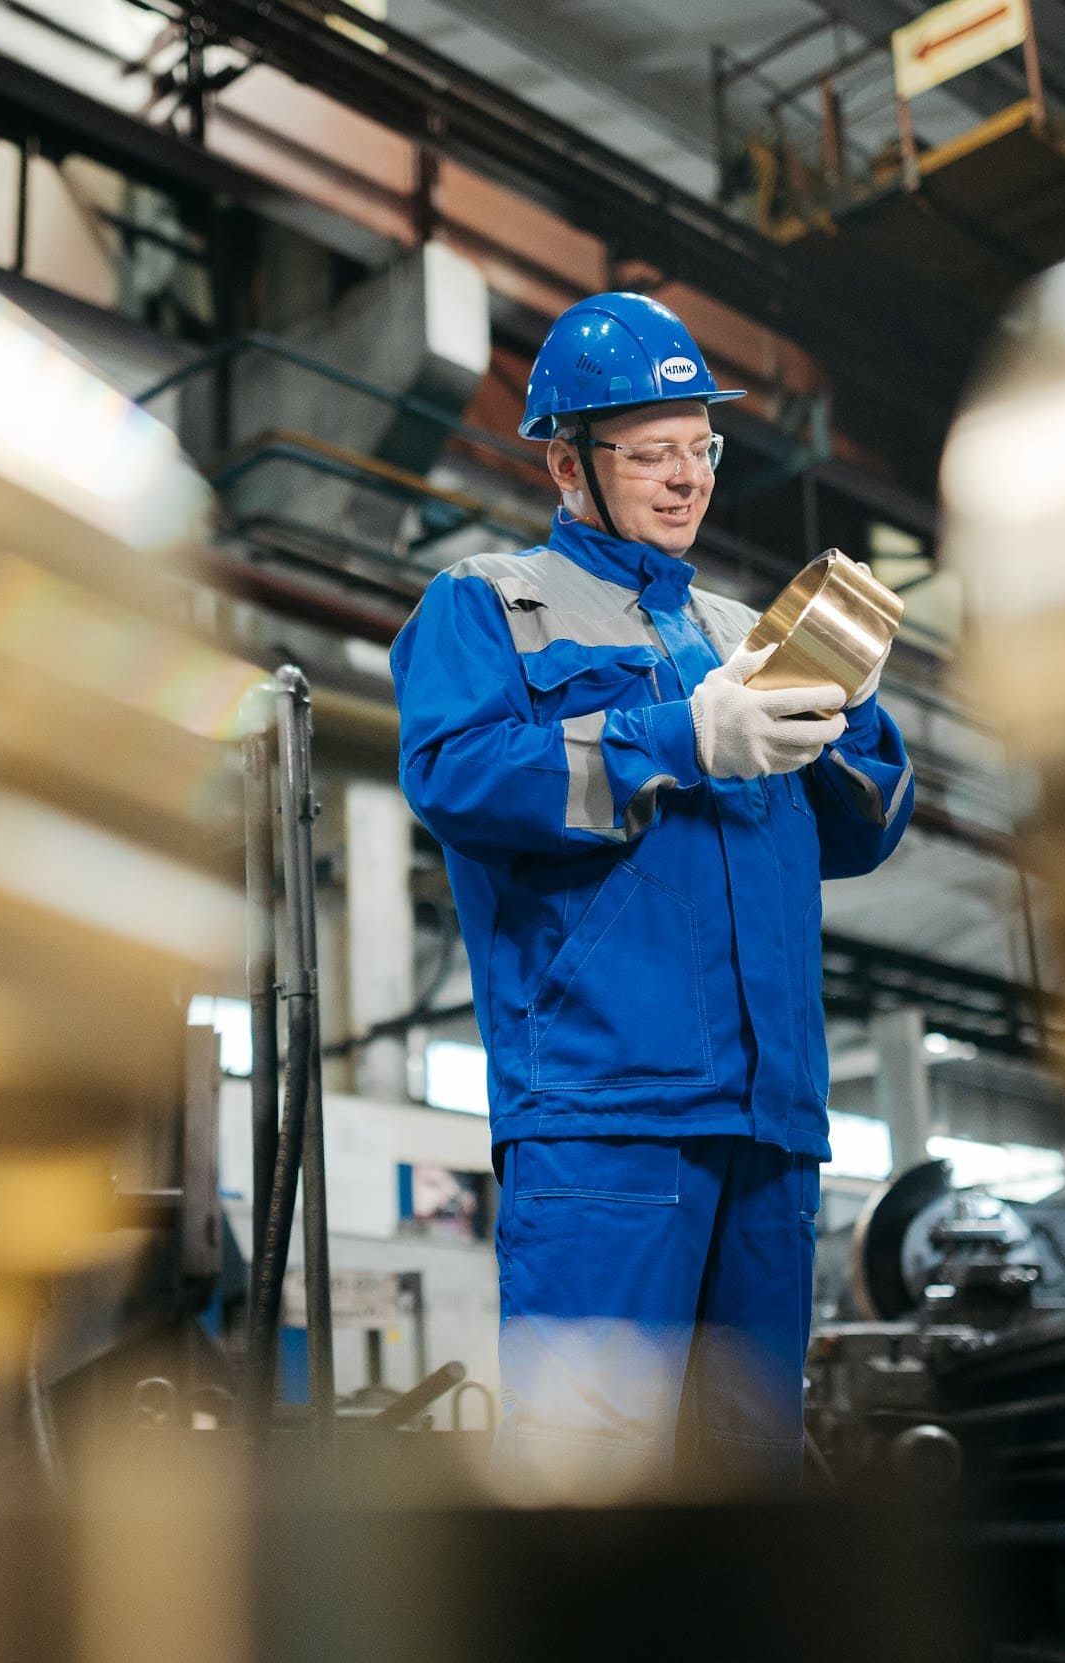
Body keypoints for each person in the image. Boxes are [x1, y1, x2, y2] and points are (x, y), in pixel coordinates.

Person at [389, 292, 914, 1488]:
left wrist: (846, 713)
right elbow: (462, 777)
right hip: (605, 1112)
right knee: (595, 1486)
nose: (686, 480)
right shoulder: (491, 603)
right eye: (652, 454)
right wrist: (677, 735)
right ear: (569, 463)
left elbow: (863, 833)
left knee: (743, 1491)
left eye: (701, 450)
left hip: (770, 1121)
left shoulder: (740, 630)